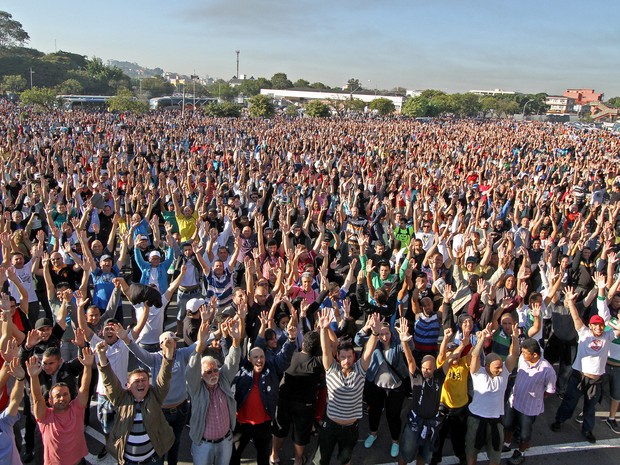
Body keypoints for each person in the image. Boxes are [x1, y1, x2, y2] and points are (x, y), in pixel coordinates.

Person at [312, 310, 382, 465]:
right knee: (321, 460)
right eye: (343, 357)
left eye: (349, 357)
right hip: (329, 426)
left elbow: (368, 353)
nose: (346, 360)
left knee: (345, 460)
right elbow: (325, 350)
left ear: (353, 357)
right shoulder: (331, 368)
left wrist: (375, 334)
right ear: (338, 357)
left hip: (350, 429)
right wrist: (324, 329)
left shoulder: (360, 369)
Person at [551, 286, 620, 443]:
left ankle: (587, 430)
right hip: (579, 376)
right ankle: (559, 420)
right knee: (569, 402)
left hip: (596, 380)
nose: (598, 327)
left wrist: (603, 291)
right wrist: (570, 302)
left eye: (600, 325)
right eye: (595, 325)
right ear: (591, 325)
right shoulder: (584, 332)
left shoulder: (608, 336)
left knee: (590, 408)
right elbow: (576, 318)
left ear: (604, 326)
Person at [95, 337, 176, 465]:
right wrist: (102, 356)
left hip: (153, 460)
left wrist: (169, 354)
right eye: (136, 381)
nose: (140, 383)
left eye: (144, 380)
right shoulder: (121, 399)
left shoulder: (155, 397)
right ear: (127, 385)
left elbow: (164, 378)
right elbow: (109, 381)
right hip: (128, 461)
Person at [230, 316, 297, 465]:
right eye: (255, 357)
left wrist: (291, 340)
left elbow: (284, 357)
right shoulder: (241, 369)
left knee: (263, 457)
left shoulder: (272, 368)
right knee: (233, 457)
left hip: (264, 424)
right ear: (249, 359)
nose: (259, 360)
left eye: (261, 357)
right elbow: (238, 351)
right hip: (242, 423)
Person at [397, 319, 458, 465]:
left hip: (431, 424)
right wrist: (404, 342)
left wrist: (447, 338)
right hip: (414, 422)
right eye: (424, 368)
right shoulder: (416, 376)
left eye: (430, 369)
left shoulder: (439, 376)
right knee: (405, 454)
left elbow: (447, 359)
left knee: (424, 455)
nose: (426, 371)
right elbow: (410, 360)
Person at [186, 312, 243, 465]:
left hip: (225, 441)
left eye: (215, 370)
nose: (213, 374)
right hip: (203, 444)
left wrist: (236, 341)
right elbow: (190, 371)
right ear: (201, 374)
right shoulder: (197, 388)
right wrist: (199, 347)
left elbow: (232, 362)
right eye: (208, 372)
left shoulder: (223, 380)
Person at [26, 346, 94, 465]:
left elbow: (85, 388)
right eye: (57, 396)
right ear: (50, 401)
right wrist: (33, 377)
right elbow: (37, 397)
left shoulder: (77, 409)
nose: (62, 398)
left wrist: (88, 366)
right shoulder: (45, 417)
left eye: (65, 394)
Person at [466, 321, 519, 465]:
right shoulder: (478, 372)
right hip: (476, 421)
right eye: (497, 368)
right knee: (471, 456)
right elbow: (475, 356)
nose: (500, 369)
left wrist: (515, 338)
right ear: (487, 366)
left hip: (496, 423)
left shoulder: (505, 373)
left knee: (495, 458)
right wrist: (482, 339)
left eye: (501, 366)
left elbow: (514, 354)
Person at [271, 331, 325, 465]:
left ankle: (274, 456)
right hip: (305, 405)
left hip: (284, 400)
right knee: (301, 433)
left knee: (280, 429)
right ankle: (298, 460)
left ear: (302, 344)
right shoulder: (317, 363)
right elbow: (331, 348)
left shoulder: (290, 357)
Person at [503, 338, 556, 465]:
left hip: (529, 408)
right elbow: (514, 353)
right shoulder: (522, 359)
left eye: (525, 352)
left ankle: (521, 452)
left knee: (524, 433)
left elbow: (550, 390)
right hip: (514, 401)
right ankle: (507, 443)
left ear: (535, 355)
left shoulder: (548, 370)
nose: (522, 354)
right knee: (508, 424)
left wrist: (537, 396)